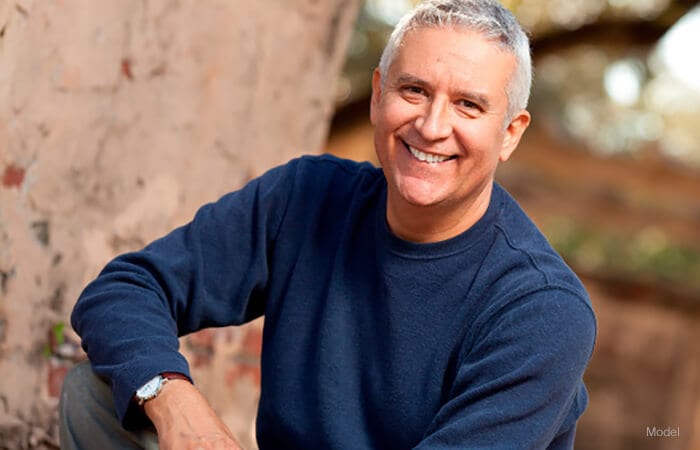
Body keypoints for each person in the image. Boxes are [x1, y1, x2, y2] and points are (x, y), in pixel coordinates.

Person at [59, 0, 597, 449]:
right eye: (414, 91)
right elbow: (123, 290)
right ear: (377, 94)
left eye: (468, 105)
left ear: (509, 133)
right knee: (102, 395)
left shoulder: (542, 311)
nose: (433, 126)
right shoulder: (307, 198)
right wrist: (172, 396)